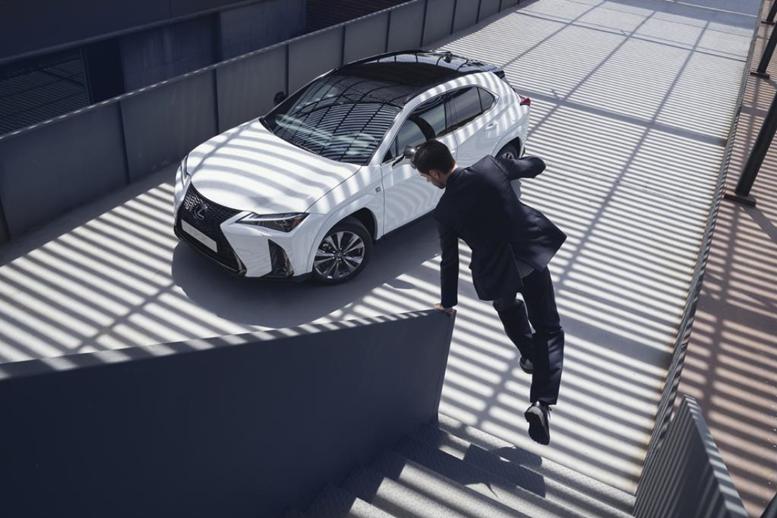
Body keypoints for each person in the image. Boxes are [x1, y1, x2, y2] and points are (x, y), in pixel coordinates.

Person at [411, 139, 566, 445]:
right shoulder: (489, 167)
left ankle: (531, 356)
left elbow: (450, 262)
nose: (428, 182)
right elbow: (536, 165)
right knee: (548, 327)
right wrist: (511, 164)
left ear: (436, 173)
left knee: (506, 306)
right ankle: (541, 403)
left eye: (426, 177)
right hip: (529, 258)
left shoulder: (444, 211)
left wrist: (447, 302)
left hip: (498, 273)